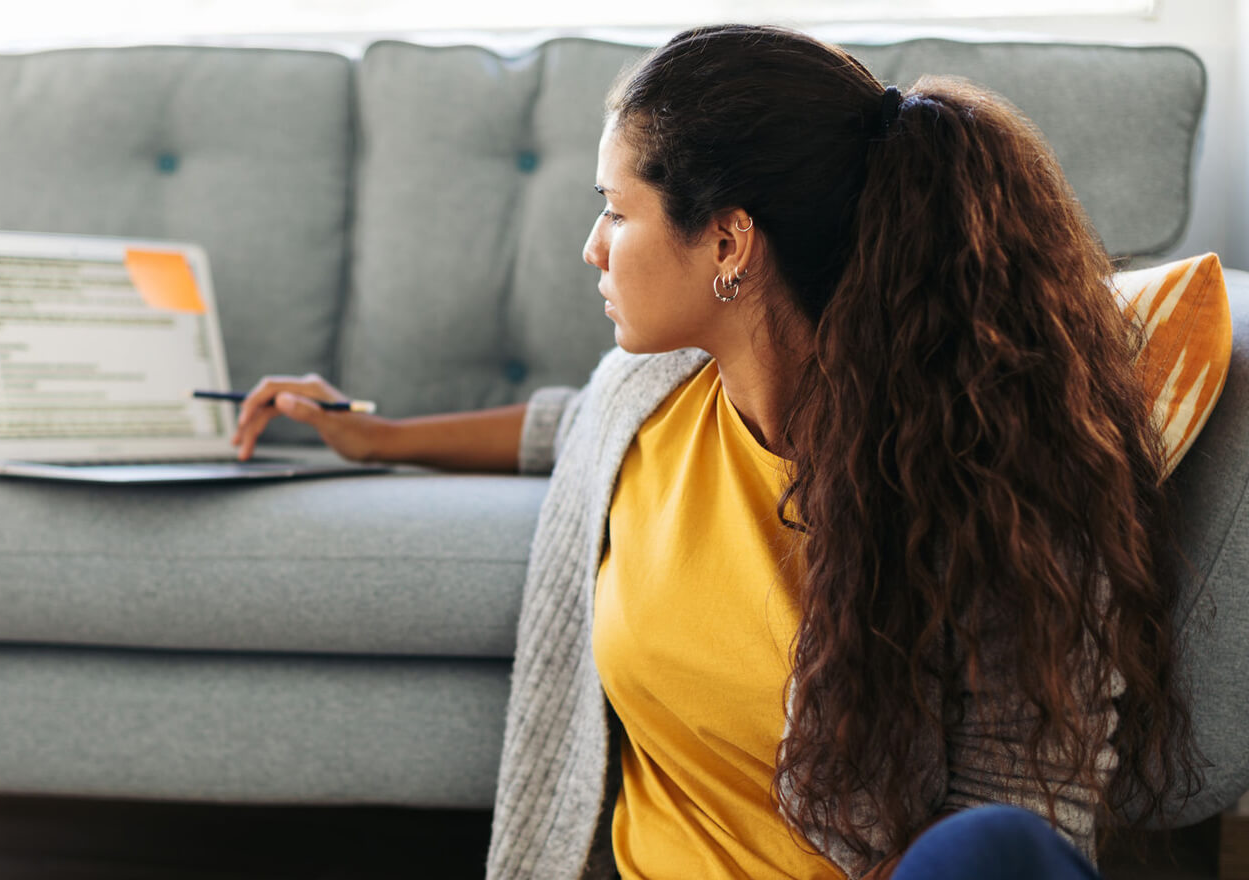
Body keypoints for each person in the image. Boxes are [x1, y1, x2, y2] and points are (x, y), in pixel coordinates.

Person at [230, 24, 1198, 880]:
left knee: (993, 848)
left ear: (730, 241)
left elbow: (1026, 802)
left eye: (617, 209)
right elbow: (566, 427)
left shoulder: (984, 480)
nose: (591, 247)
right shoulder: (642, 399)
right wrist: (374, 433)